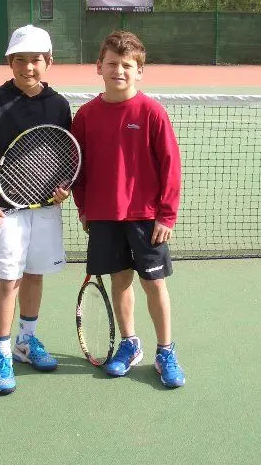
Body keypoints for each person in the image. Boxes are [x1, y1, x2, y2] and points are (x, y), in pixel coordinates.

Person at [71, 30, 186, 388]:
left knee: (154, 283)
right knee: (121, 282)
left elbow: (170, 166)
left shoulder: (152, 112)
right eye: (111, 64)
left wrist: (166, 215)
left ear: (139, 70)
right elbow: (78, 167)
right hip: (104, 217)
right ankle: (130, 343)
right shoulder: (86, 116)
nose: (118, 70)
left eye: (127, 65)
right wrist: (84, 207)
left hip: (147, 218)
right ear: (98, 67)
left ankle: (165, 350)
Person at [0, 24, 71, 396]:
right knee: (9, 281)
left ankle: (27, 340)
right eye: (20, 60)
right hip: (5, 210)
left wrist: (63, 188)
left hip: (44, 208)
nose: (29, 67)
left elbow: (64, 153)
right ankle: (2, 352)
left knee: (36, 275)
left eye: (36, 60)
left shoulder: (59, 105)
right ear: (9, 62)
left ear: (49, 62)